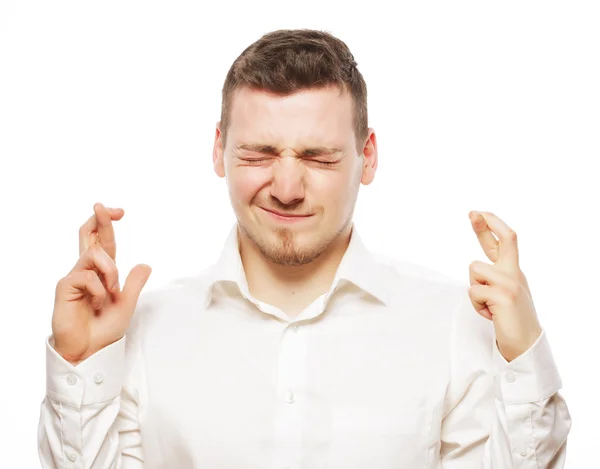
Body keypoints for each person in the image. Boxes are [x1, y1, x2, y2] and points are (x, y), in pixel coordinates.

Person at [38, 28, 571, 468]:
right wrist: (84, 368)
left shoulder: (452, 323)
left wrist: (523, 359)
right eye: (259, 154)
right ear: (219, 150)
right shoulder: (144, 331)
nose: (287, 188)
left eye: (318, 157)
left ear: (369, 156)